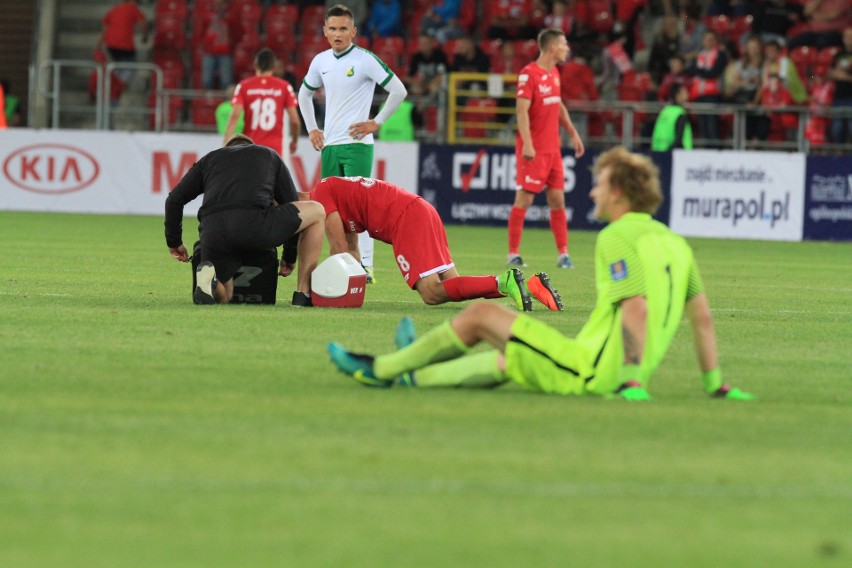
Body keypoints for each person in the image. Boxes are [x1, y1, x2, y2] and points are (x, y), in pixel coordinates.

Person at [328, 147, 756, 403]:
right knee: (505, 358)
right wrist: (716, 386)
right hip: (588, 361)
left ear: (619, 193)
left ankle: (380, 368)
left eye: (600, 185)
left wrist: (632, 383)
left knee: (481, 317)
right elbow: (702, 319)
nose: (592, 192)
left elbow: (637, 309)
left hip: (591, 372)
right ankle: (413, 368)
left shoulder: (616, 237)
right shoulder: (676, 243)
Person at [311, 176, 564, 311]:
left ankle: (503, 281)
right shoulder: (332, 190)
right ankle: (529, 286)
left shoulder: (319, 195)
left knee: (431, 293)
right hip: (421, 209)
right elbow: (351, 252)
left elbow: (338, 251)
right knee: (452, 285)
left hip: (404, 218)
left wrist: (312, 291)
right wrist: (354, 293)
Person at [298, 4, 409, 284]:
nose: (338, 34)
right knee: (331, 211)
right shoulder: (321, 61)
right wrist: (312, 128)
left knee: (359, 209)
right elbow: (303, 94)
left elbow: (399, 89)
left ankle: (367, 266)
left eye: (343, 29)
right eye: (333, 28)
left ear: (353, 32)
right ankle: (346, 263)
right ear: (324, 31)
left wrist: (377, 122)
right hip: (331, 146)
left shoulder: (364, 59)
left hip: (358, 144)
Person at [165, 134, 326, 306]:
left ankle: (210, 282)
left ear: (226, 149)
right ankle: (303, 294)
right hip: (255, 224)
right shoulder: (268, 154)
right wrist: (289, 256)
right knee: (317, 211)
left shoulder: (209, 159)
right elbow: (290, 203)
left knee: (226, 294)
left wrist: (174, 242)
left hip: (213, 232)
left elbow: (174, 200)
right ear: (251, 146)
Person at [508, 28, 585, 270]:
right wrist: (528, 143)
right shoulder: (528, 74)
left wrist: (573, 133)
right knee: (525, 199)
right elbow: (521, 111)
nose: (567, 48)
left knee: (557, 199)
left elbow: (558, 104)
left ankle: (563, 254)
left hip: (553, 150)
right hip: (534, 150)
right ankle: (513, 254)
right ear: (552, 48)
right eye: (564, 44)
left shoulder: (554, 74)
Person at [224, 49, 300, 158]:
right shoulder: (284, 87)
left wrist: (226, 144)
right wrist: (294, 141)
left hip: (250, 147)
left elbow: (234, 117)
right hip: (274, 150)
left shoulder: (244, 86)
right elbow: (295, 121)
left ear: (255, 65)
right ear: (273, 67)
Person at [686, 30, 728, 144]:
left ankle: (715, 153)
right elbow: (690, 70)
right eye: (706, 39)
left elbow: (713, 73)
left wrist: (699, 71)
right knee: (703, 128)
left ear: (716, 41)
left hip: (712, 96)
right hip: (699, 95)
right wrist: (703, 71)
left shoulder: (721, 55)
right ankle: (706, 153)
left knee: (712, 127)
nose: (708, 42)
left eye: (711, 39)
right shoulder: (700, 55)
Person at [97, 0, 149, 85]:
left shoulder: (114, 9)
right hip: (125, 44)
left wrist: (98, 46)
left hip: (111, 44)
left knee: (119, 66)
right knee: (130, 68)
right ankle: (116, 86)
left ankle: (113, 85)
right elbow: (143, 23)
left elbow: (104, 30)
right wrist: (145, 37)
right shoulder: (133, 8)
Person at [200, 0, 240, 90]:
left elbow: (238, 31)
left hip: (226, 52)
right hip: (209, 51)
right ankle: (207, 101)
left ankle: (226, 101)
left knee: (226, 81)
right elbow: (201, 30)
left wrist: (232, 44)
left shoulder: (232, 13)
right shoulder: (208, 11)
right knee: (206, 80)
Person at [827, 26, 852, 143]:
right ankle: (839, 154)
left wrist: (843, 76)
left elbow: (837, 73)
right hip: (839, 97)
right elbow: (830, 73)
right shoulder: (839, 55)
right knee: (837, 128)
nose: (849, 39)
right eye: (847, 37)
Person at [652, 83, 694, 150]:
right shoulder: (679, 113)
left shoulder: (664, 111)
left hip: (658, 150)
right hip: (677, 154)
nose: (687, 95)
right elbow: (679, 138)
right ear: (678, 95)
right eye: (684, 92)